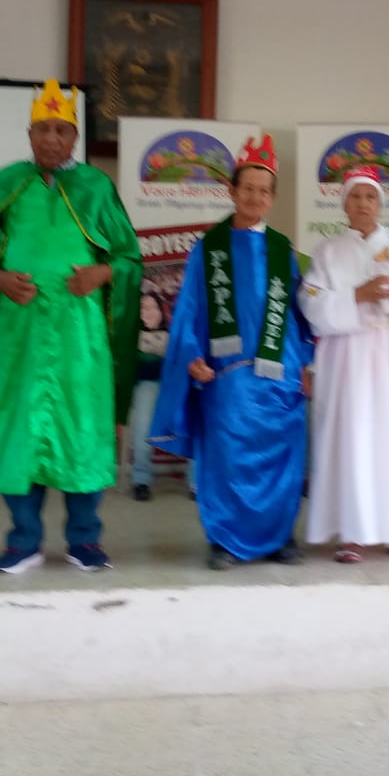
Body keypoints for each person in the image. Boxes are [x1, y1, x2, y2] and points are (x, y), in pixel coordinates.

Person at [0, 80, 141, 574]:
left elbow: (130, 257)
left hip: (78, 334)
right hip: (18, 332)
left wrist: (102, 273)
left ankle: (85, 540)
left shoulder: (96, 187)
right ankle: (23, 539)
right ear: (29, 135)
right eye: (43, 129)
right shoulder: (5, 183)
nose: (51, 139)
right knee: (18, 429)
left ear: (74, 138)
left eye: (61, 130)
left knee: (81, 430)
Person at [150, 135, 314, 570]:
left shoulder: (283, 250)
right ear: (232, 191)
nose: (255, 197)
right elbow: (188, 309)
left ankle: (279, 536)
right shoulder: (209, 248)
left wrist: (307, 363)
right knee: (227, 457)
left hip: (280, 372)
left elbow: (298, 314)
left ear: (272, 197)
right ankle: (224, 538)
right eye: (248, 188)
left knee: (282, 455)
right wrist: (191, 355)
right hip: (227, 374)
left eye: (264, 190)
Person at [302, 165, 389, 562]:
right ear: (344, 203)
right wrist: (357, 295)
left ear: (380, 203)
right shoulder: (328, 252)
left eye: (370, 196)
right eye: (355, 196)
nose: (363, 204)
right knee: (354, 441)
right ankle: (354, 533)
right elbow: (310, 303)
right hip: (348, 360)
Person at [126, 290, 169, 501]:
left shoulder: (173, 335)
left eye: (153, 307)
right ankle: (141, 479)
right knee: (143, 419)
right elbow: (137, 368)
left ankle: (196, 483)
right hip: (146, 387)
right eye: (143, 307)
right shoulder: (130, 338)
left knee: (196, 413)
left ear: (161, 311)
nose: (148, 312)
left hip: (172, 387)